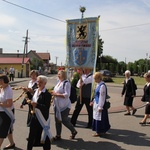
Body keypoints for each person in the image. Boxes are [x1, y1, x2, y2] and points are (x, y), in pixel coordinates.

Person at [26, 75, 52, 150]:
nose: (38, 83)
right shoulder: (36, 91)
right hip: (34, 117)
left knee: (44, 137)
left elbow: (46, 107)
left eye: (41, 82)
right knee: (31, 136)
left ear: (45, 83)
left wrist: (37, 105)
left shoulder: (47, 94)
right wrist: (27, 93)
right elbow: (33, 99)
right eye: (38, 81)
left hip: (43, 118)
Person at [51, 70, 77, 140]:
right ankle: (58, 135)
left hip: (65, 106)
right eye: (58, 74)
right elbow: (56, 91)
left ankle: (73, 131)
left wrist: (56, 94)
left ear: (63, 75)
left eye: (59, 74)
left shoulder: (66, 83)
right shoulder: (59, 82)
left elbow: (67, 95)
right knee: (57, 120)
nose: (58, 75)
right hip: (57, 105)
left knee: (64, 120)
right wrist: (53, 92)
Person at [90, 72, 110, 136]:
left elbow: (102, 97)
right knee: (96, 117)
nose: (94, 80)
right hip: (96, 103)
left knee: (100, 118)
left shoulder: (102, 86)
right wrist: (93, 101)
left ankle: (99, 131)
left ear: (99, 78)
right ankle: (100, 130)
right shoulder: (98, 84)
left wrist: (100, 107)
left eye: (95, 79)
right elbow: (96, 95)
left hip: (100, 104)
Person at [0, 74, 15, 149]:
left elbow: (9, 104)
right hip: (1, 112)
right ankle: (12, 143)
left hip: (7, 113)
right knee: (8, 129)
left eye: (0, 80)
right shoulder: (2, 88)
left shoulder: (8, 90)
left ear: (4, 80)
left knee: (2, 130)